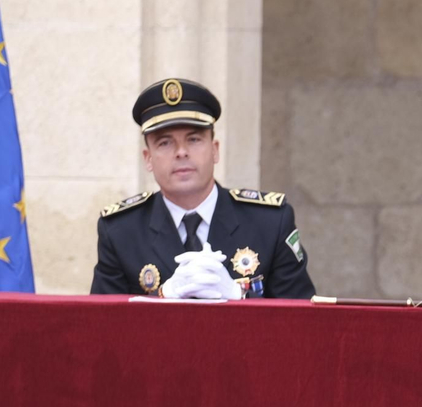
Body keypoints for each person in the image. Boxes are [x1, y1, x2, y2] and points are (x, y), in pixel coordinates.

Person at [90, 77, 316, 300]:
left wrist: (240, 297)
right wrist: (162, 297)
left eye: (194, 139)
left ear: (215, 150)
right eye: (165, 143)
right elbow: (103, 326)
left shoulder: (270, 222)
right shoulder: (121, 231)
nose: (181, 152)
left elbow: (302, 321)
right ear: (148, 159)